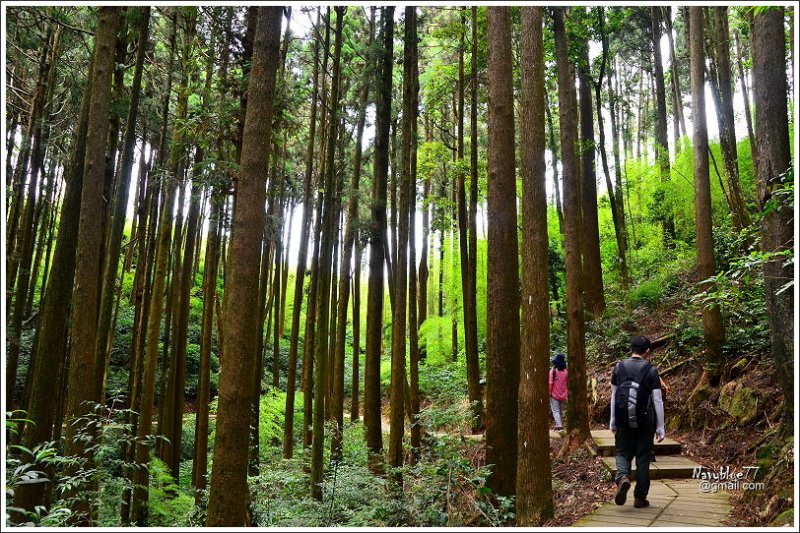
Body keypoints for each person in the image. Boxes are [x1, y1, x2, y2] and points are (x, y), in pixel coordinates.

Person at [610, 336, 665, 509]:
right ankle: (640, 498)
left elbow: (613, 395)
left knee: (621, 452)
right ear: (647, 351)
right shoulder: (651, 370)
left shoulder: (618, 368)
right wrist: (660, 426)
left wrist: (613, 420)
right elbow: (657, 400)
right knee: (643, 458)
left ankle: (623, 477)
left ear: (631, 348)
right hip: (645, 420)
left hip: (622, 419)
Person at [548, 353, 568, 432]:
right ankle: (560, 424)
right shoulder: (566, 371)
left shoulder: (553, 371)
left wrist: (549, 392)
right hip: (563, 394)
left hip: (554, 394)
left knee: (555, 410)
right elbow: (567, 382)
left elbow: (550, 383)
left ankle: (559, 426)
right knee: (560, 410)